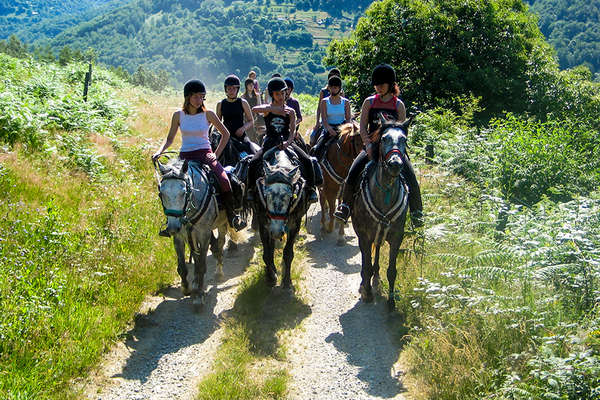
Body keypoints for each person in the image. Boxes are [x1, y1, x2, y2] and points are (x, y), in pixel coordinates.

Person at [333, 64, 423, 227]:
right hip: (373, 148)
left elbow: (402, 130)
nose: (378, 88)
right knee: (353, 172)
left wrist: (399, 150)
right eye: (376, 85)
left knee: (412, 178)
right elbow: (362, 127)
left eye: (381, 84)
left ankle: (417, 213)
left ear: (390, 84)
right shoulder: (369, 102)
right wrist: (367, 144)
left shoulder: (398, 105)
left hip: (394, 149)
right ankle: (345, 207)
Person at [153, 79, 246, 235]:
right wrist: (159, 151)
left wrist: (215, 155)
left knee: (224, 180)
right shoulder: (178, 115)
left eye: (202, 96)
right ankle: (170, 222)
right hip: (185, 157)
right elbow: (169, 139)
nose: (199, 100)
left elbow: (226, 134)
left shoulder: (208, 114)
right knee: (170, 186)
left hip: (205, 154)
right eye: (196, 96)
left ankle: (232, 216)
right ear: (187, 97)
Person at [249, 77, 318, 203]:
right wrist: (272, 109)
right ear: (272, 95)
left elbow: (292, 131)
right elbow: (254, 110)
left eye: (282, 93)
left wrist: (288, 142)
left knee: (307, 160)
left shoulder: (290, 111)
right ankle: (250, 190)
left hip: (286, 141)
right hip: (270, 141)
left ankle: (312, 189)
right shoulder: (267, 109)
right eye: (277, 94)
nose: (280, 96)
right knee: (253, 162)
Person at [216, 74, 257, 161]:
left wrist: (242, 129)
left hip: (241, 136)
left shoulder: (243, 102)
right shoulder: (220, 104)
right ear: (225, 89)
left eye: (234, 88)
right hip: (225, 137)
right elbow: (218, 122)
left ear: (237, 89)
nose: (231, 91)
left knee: (253, 155)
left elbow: (251, 121)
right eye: (229, 88)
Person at [311, 75, 351, 161]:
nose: (333, 89)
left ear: (339, 88)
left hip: (342, 128)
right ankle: (315, 165)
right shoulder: (324, 102)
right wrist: (330, 130)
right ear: (329, 88)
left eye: (335, 87)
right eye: (331, 87)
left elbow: (348, 119)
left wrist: (345, 130)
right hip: (328, 128)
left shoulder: (346, 102)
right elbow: (324, 120)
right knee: (318, 148)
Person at [311, 68, 343, 146]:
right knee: (312, 137)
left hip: (340, 123)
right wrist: (317, 122)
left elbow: (343, 107)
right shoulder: (323, 91)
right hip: (326, 121)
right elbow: (319, 108)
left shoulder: (341, 92)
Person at [241, 77, 265, 144]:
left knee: (257, 137)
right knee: (249, 137)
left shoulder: (257, 95)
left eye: (252, 85)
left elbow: (259, 106)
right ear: (246, 86)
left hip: (256, 118)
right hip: (246, 119)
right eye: (250, 85)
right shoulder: (243, 97)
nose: (251, 86)